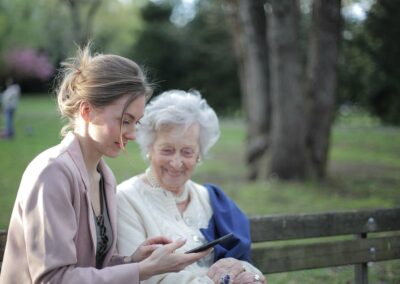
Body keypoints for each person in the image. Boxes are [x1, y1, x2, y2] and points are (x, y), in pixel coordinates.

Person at [0, 46, 210, 284]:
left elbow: (89, 265)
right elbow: (53, 279)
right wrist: (141, 271)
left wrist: (133, 261)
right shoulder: (52, 173)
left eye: (136, 123)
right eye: (124, 121)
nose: (132, 134)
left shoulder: (104, 176)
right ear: (87, 111)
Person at [117, 90, 266, 284]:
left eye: (187, 152)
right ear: (149, 149)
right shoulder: (126, 199)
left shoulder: (210, 198)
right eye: (167, 150)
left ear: (199, 155)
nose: (176, 162)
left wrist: (246, 273)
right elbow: (145, 278)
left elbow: (245, 264)